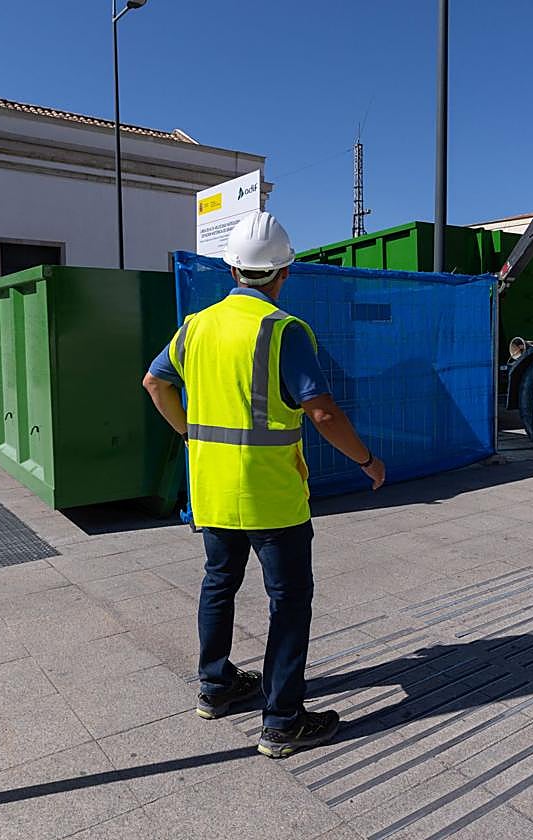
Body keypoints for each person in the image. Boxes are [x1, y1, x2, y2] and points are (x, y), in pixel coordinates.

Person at [142, 210, 386, 759]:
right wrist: (368, 460)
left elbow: (154, 382)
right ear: (284, 273)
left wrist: (189, 436)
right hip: (271, 496)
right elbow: (322, 413)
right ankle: (281, 722)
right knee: (289, 600)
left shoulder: (196, 326)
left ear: (231, 268)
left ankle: (216, 687)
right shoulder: (284, 331)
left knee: (218, 584)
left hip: (210, 488)